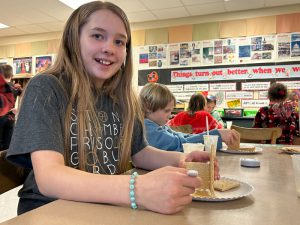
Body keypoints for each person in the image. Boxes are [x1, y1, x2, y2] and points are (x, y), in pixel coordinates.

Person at [7, 1, 220, 216]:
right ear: (73, 40)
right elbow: (49, 178)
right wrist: (138, 189)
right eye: (97, 36)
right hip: (50, 210)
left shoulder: (124, 98)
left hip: (106, 207)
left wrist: (181, 159)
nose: (109, 48)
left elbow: (140, 153)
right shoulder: (46, 87)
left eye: (120, 42)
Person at [139, 83, 239, 152]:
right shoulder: (147, 128)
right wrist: (217, 135)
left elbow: (181, 136)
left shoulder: (159, 124)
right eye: (166, 111)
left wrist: (216, 134)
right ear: (148, 107)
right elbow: (180, 144)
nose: (170, 115)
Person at [0, 64, 23, 150]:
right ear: (12, 75)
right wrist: (19, 109)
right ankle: (5, 162)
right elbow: (28, 97)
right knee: (8, 144)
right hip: (11, 117)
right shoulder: (15, 88)